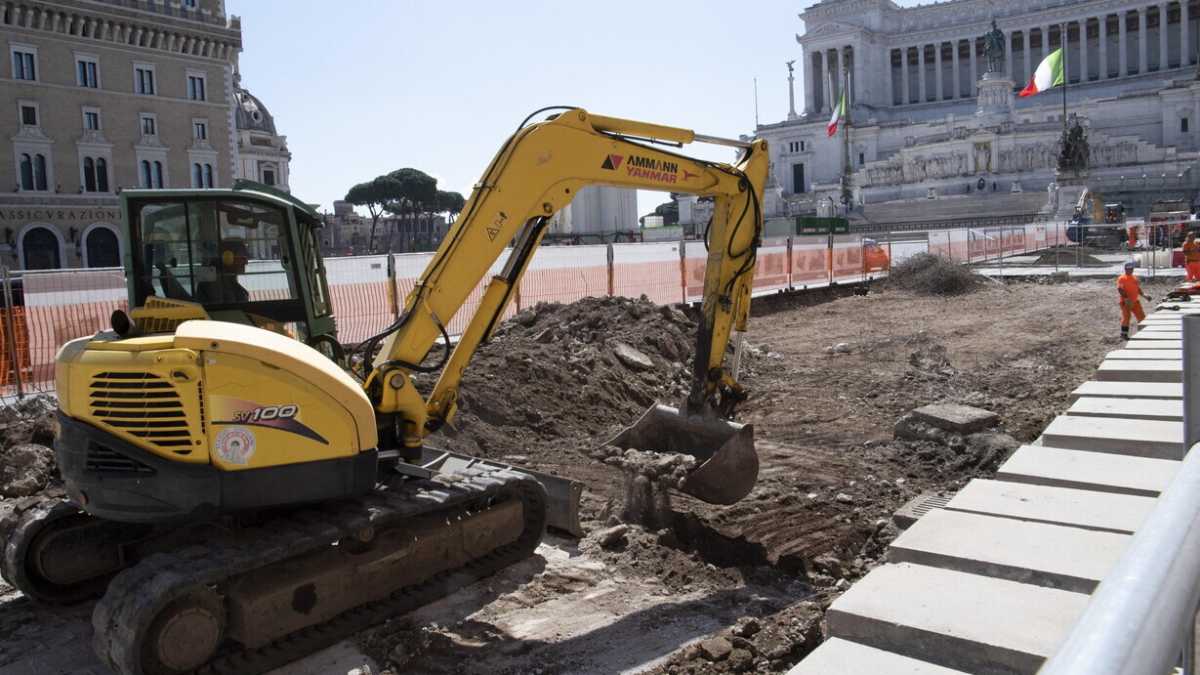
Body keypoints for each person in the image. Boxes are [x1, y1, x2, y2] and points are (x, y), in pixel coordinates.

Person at [1118, 260, 1152, 340]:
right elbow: (1120, 289)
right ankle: (1124, 334)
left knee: (1142, 317)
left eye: (1131, 269)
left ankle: (1144, 333)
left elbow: (1137, 288)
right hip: (1125, 302)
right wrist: (1126, 298)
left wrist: (1144, 295)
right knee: (1126, 317)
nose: (1130, 270)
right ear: (1125, 269)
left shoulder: (1134, 278)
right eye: (1128, 269)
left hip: (1135, 301)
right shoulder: (1122, 278)